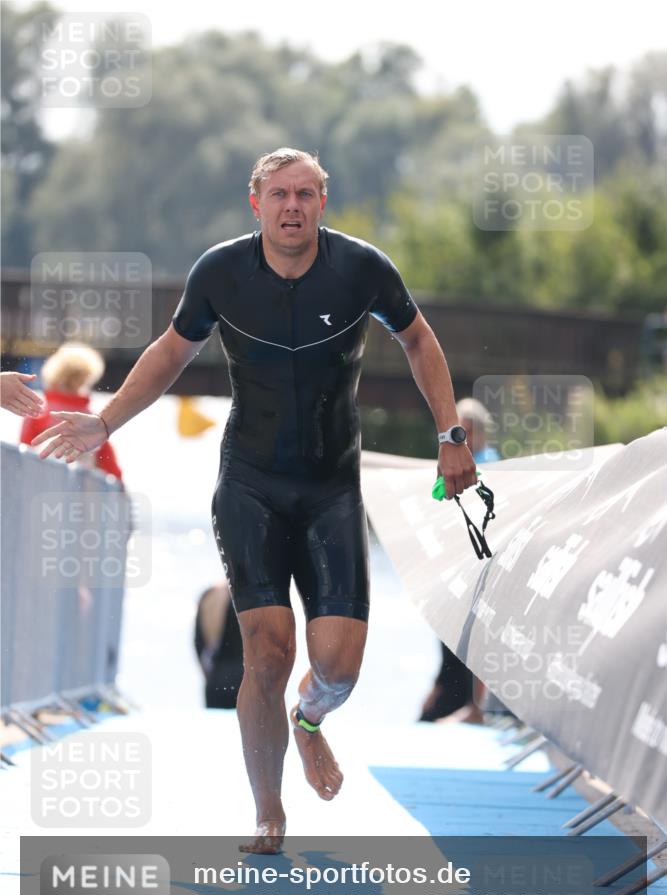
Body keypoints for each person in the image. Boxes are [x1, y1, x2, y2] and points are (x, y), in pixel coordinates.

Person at [30, 147, 478, 853]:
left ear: (322, 203)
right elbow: (170, 353)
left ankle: (309, 720)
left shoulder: (361, 269)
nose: (292, 206)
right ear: (256, 203)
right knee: (266, 653)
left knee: (338, 668)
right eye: (279, 194)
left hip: (331, 487)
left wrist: (450, 433)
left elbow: (419, 339)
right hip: (250, 485)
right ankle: (268, 812)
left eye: (305, 194)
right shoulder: (221, 272)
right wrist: (105, 421)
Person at [420, 397, 499, 725]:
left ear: (479, 434)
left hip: (483, 566)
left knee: (477, 635)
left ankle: (478, 708)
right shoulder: (452, 462)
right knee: (450, 633)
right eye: (457, 433)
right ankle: (448, 694)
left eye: (465, 433)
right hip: (458, 564)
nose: (460, 440)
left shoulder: (491, 464)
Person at [20, 343, 124, 481]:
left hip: (42, 483)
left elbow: (22, 457)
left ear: (53, 376)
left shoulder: (38, 414)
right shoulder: (93, 421)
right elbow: (111, 469)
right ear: (87, 380)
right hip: (79, 489)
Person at [194, 580, 244, 708]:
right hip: (245, 681)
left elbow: (199, 646)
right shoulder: (246, 596)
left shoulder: (208, 596)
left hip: (214, 682)